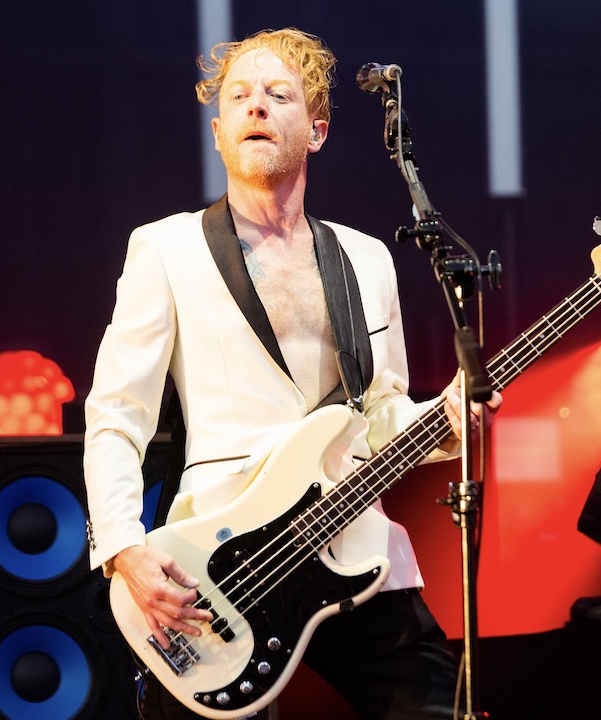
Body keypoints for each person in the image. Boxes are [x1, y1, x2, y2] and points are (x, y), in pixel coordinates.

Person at [82, 27, 502, 720]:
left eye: (279, 96)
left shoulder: (366, 259)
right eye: (239, 97)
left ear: (317, 130)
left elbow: (383, 414)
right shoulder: (166, 249)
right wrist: (124, 547)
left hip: (352, 536)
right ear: (218, 132)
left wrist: (449, 420)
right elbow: (117, 415)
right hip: (220, 564)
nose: (256, 108)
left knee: (438, 708)